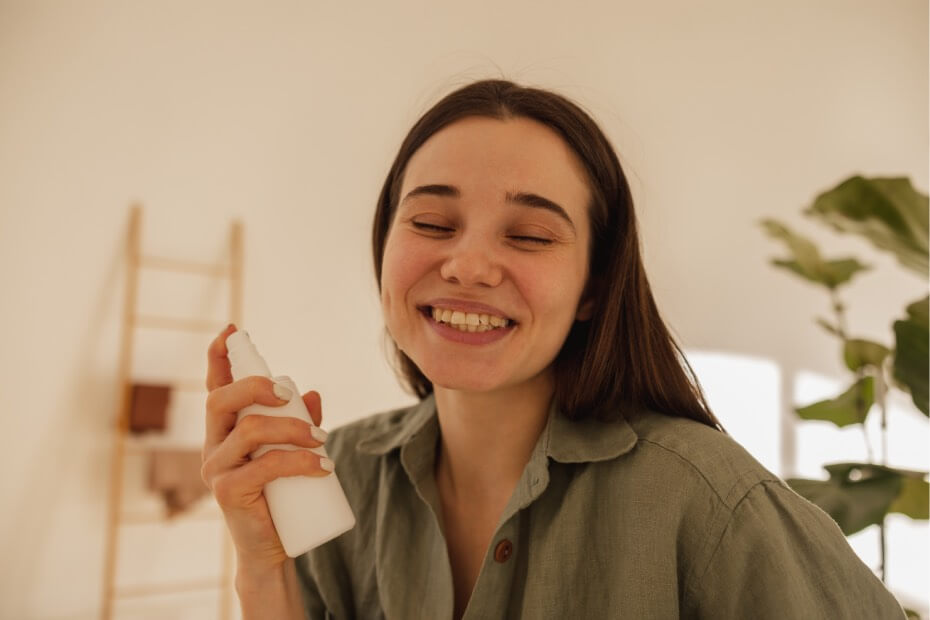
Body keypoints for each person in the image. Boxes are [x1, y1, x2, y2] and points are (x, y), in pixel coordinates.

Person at [202, 79, 906, 619]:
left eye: (530, 236)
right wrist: (262, 570)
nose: (468, 266)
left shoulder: (709, 501)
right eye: (432, 223)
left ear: (595, 286)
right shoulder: (340, 479)